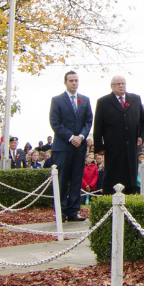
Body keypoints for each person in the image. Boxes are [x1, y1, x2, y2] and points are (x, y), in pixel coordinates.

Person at [48, 70, 93, 221]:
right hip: (63, 147)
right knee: (62, 179)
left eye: (76, 80)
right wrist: (70, 137)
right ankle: (60, 211)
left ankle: (73, 211)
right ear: (65, 83)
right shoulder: (57, 100)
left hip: (79, 147)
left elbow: (88, 121)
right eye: (71, 81)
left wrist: (80, 137)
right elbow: (55, 122)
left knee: (76, 179)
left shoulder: (85, 100)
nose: (74, 83)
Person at [93, 75, 144, 197]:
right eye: (118, 84)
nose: (121, 86)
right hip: (113, 148)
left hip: (131, 148)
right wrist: (99, 147)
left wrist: (141, 137)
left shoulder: (135, 99)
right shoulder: (103, 102)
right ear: (112, 86)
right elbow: (97, 127)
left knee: (130, 179)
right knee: (112, 179)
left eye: (123, 83)